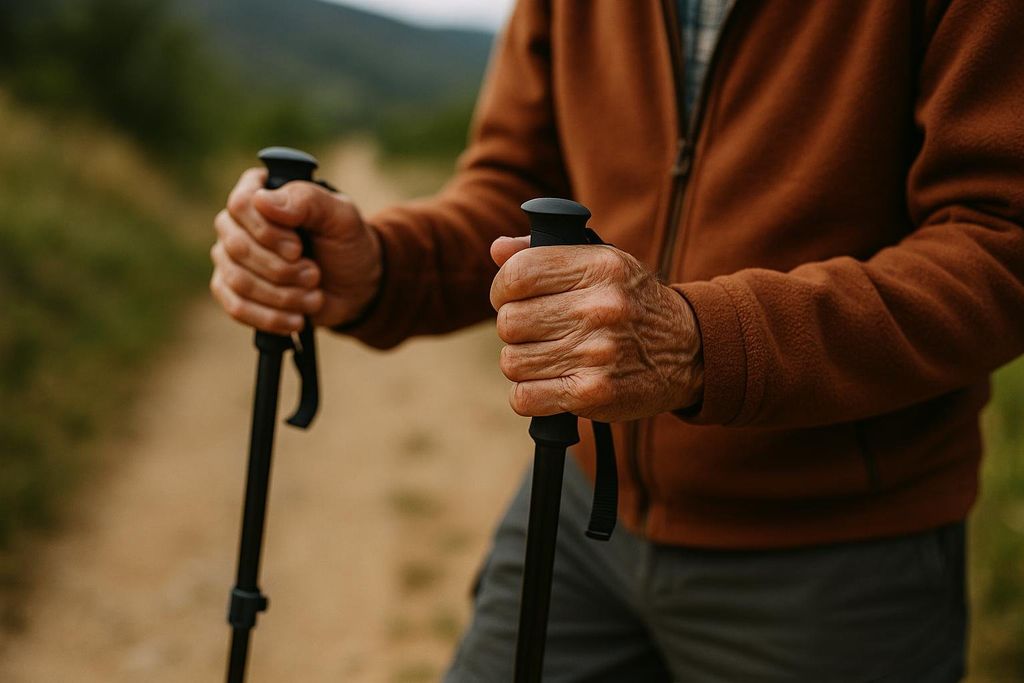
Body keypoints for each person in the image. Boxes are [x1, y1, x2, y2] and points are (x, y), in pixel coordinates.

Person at [209, 1, 1024, 680]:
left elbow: (999, 239)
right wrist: (381, 267)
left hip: (839, 550)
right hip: (579, 506)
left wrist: (703, 341)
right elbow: (518, 192)